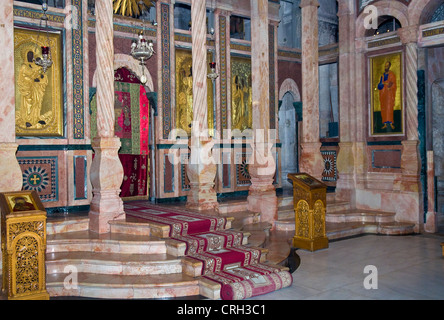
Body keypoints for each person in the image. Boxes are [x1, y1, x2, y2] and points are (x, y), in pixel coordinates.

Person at [17, 47, 49, 128]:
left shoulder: (36, 65)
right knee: (29, 102)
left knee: (37, 102)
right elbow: (22, 77)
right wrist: (31, 79)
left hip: (36, 88)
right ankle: (27, 120)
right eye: (29, 55)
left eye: (32, 55)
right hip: (28, 88)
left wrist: (41, 77)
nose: (30, 57)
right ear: (25, 56)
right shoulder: (24, 66)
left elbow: (42, 74)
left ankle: (36, 118)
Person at [377, 61, 397, 130]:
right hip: (383, 93)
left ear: (389, 66)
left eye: (387, 66)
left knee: (389, 107)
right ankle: (385, 123)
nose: (386, 67)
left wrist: (390, 86)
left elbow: (394, 84)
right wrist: (380, 85)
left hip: (389, 94)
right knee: (383, 108)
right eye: (385, 66)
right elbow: (380, 84)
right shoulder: (382, 75)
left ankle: (390, 123)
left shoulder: (392, 75)